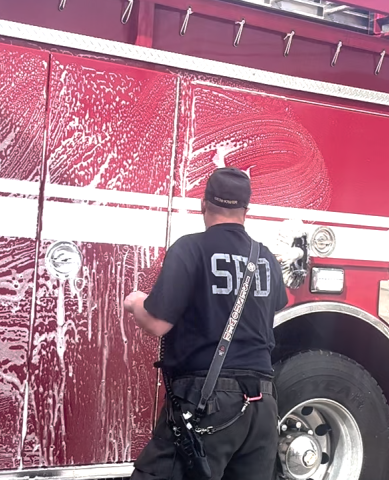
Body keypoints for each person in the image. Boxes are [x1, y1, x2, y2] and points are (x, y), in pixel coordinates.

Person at [123, 167, 288, 480]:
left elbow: (157, 324)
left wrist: (134, 303)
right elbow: (275, 307)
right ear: (245, 211)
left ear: (204, 204)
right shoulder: (265, 258)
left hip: (210, 400)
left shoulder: (190, 249)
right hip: (262, 406)